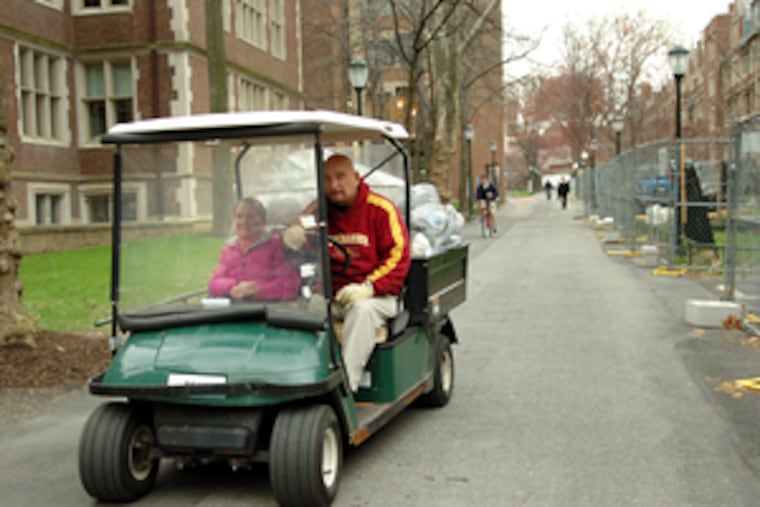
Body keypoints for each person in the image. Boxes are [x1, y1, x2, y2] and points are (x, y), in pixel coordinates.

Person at [284, 154, 411, 392]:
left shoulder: (381, 210)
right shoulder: (318, 210)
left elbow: (399, 257)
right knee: (299, 310)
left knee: (361, 311)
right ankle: (302, 380)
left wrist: (368, 287)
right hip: (333, 296)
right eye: (327, 179)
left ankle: (344, 389)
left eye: (340, 177)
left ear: (355, 177)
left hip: (378, 297)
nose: (334, 185)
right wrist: (293, 236)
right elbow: (301, 237)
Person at [208, 197, 300, 301]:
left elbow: (290, 284)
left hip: (266, 311)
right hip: (232, 309)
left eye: (250, 216)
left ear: (264, 221)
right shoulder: (230, 248)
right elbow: (213, 283)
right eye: (239, 216)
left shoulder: (277, 246)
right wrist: (235, 286)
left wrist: (258, 291)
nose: (244, 221)